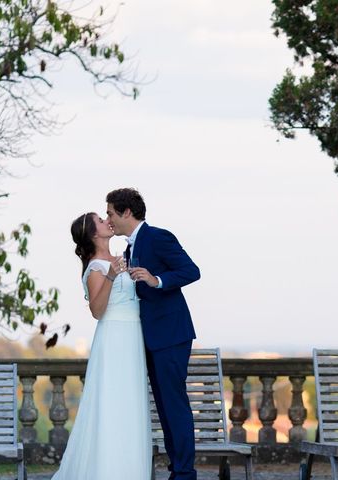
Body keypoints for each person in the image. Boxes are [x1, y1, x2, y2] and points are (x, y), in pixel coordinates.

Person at [106, 188, 200, 480]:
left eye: (110, 213)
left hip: (170, 336)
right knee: (164, 408)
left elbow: (191, 270)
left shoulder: (158, 236)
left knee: (174, 406)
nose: (108, 219)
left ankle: (185, 473)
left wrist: (156, 279)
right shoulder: (129, 248)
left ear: (126, 212)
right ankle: (178, 469)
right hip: (150, 339)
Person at [53, 212, 152, 479]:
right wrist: (110, 276)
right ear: (93, 233)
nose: (106, 220)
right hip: (113, 339)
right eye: (99, 219)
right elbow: (97, 310)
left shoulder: (123, 257)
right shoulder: (96, 267)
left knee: (131, 406)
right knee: (111, 403)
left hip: (133, 336)